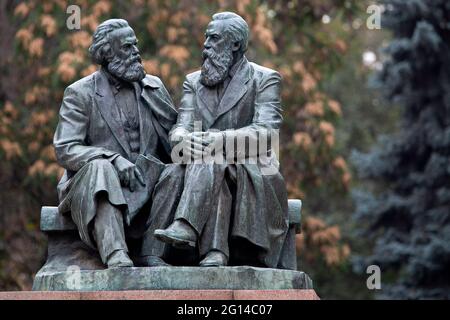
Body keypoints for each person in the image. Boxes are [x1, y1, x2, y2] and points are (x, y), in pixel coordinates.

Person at [142, 12, 289, 268]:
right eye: (206, 38)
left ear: (235, 45)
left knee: (211, 160)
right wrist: (182, 141)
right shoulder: (193, 81)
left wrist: (214, 141)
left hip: (252, 167)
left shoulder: (264, 79)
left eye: (213, 38)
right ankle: (192, 253)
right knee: (185, 170)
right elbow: (180, 128)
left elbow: (266, 134)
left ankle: (187, 226)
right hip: (202, 165)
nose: (206, 45)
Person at [53, 19, 177, 268]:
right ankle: (115, 253)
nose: (136, 53)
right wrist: (112, 158)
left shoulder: (153, 88)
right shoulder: (81, 93)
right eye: (127, 48)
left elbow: (175, 143)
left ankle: (153, 252)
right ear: (107, 54)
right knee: (101, 168)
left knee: (177, 171)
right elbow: (66, 148)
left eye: (136, 46)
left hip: (146, 183)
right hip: (95, 184)